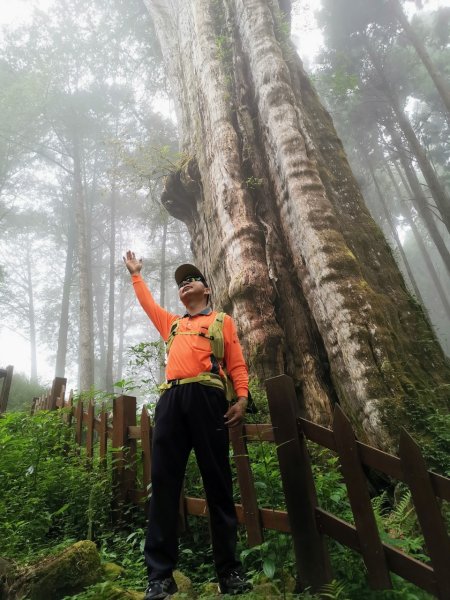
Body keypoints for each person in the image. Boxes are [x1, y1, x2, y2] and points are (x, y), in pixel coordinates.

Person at [123, 250, 252, 599]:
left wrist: (241, 398)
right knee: (164, 484)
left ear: (207, 290)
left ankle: (229, 573)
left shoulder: (221, 321)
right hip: (171, 401)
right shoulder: (173, 324)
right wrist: (136, 274)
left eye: (191, 279)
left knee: (218, 483)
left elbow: (237, 363)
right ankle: (160, 577)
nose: (185, 284)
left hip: (208, 399)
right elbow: (148, 303)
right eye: (180, 283)